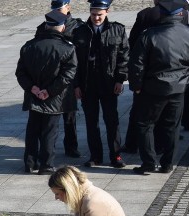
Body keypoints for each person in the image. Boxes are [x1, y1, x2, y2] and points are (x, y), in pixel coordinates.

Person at [128, 0, 189, 174]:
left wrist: (136, 86)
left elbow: (137, 64)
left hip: (152, 88)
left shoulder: (149, 35)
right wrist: (188, 79)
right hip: (179, 88)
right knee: (171, 127)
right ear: (179, 14)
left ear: (163, 14)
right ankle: (167, 164)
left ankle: (149, 162)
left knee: (145, 125)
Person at [16, 11, 78, 174]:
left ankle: (30, 162)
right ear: (62, 27)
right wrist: (49, 91)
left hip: (34, 96)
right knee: (49, 132)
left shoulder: (29, 46)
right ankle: (46, 164)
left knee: (33, 130)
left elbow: (20, 73)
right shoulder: (67, 48)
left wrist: (32, 88)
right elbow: (68, 75)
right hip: (54, 98)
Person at [72, 1, 128, 169]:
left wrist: (120, 79)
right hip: (88, 84)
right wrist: (76, 85)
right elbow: (73, 62)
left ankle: (116, 155)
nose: (96, 18)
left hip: (109, 83)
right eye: (93, 14)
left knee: (112, 121)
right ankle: (95, 156)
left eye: (100, 14)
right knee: (91, 121)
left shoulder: (117, 29)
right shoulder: (80, 31)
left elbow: (124, 56)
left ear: (107, 12)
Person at [36, 0, 83, 159]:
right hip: (48, 78)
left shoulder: (77, 26)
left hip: (68, 78)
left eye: (59, 8)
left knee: (69, 115)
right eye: (54, 8)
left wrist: (78, 83)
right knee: (47, 118)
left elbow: (80, 57)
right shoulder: (44, 27)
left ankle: (71, 146)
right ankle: (48, 148)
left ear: (68, 7)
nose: (56, 11)